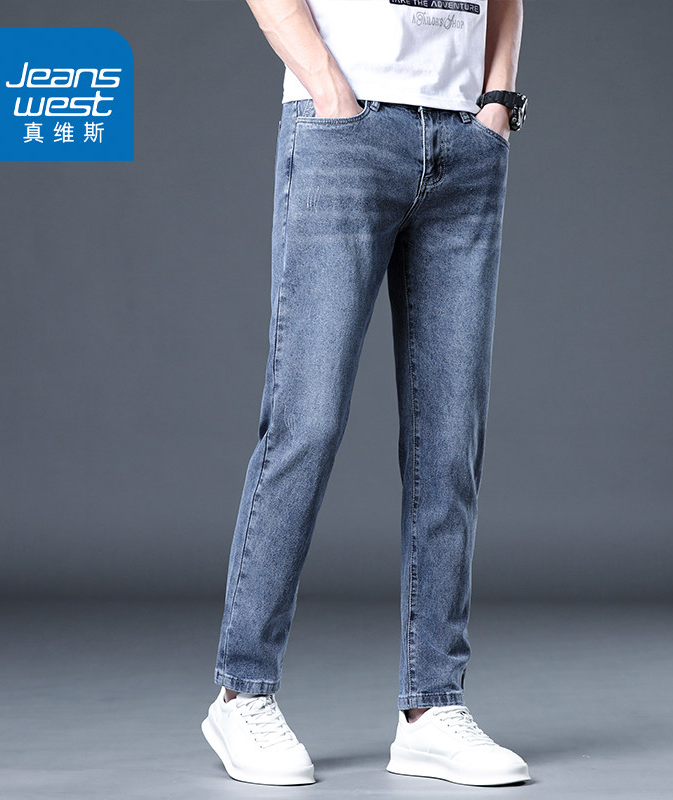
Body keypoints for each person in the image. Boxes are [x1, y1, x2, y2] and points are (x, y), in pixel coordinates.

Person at [201, 0, 530, 787]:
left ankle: (432, 707)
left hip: (466, 141)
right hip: (348, 128)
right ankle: (242, 690)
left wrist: (496, 104)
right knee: (307, 421)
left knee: (449, 439)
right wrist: (327, 87)